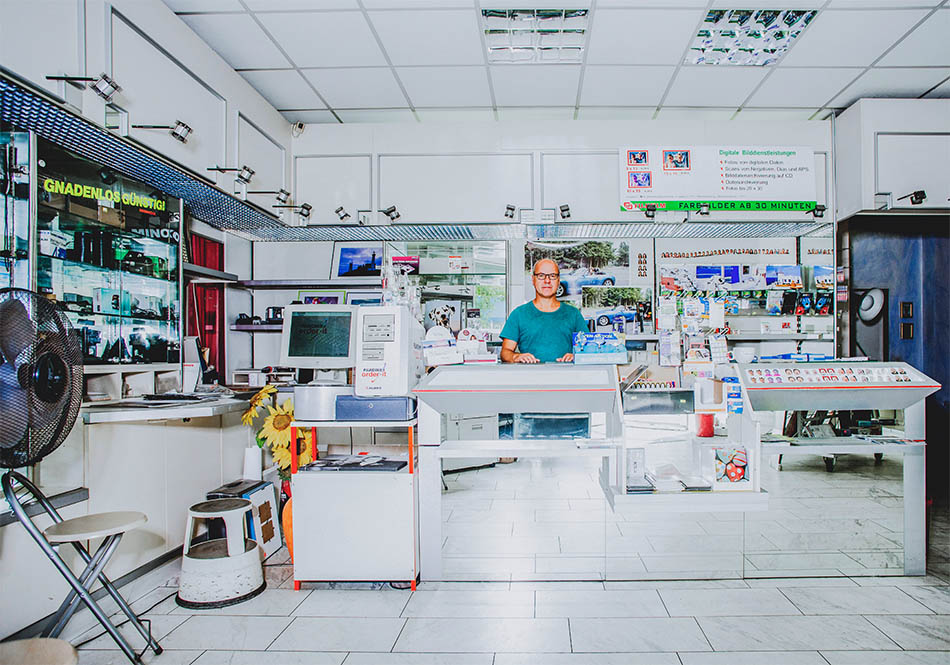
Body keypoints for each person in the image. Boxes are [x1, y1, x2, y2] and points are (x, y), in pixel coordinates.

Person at [500, 259, 588, 363]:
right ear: (533, 280)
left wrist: (576, 355)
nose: (547, 281)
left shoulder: (573, 314)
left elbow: (588, 349)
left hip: (567, 377)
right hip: (529, 377)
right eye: (541, 275)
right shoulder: (518, 314)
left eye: (552, 276)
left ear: (558, 280)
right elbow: (505, 352)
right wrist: (516, 357)